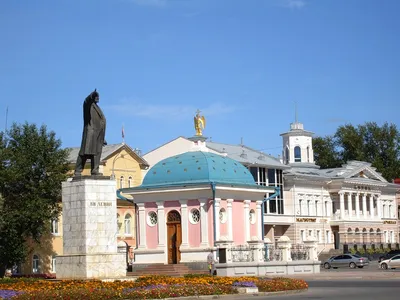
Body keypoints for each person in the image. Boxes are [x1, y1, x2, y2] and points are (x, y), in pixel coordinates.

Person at [74, 89, 107, 176]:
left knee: (97, 153)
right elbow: (86, 101)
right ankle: (78, 170)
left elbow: (101, 121)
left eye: (98, 96)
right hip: (90, 133)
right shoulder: (88, 106)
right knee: (84, 152)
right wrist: (91, 95)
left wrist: (103, 138)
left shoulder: (97, 107)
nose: (97, 98)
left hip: (99, 135)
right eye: (96, 96)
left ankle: (95, 170)